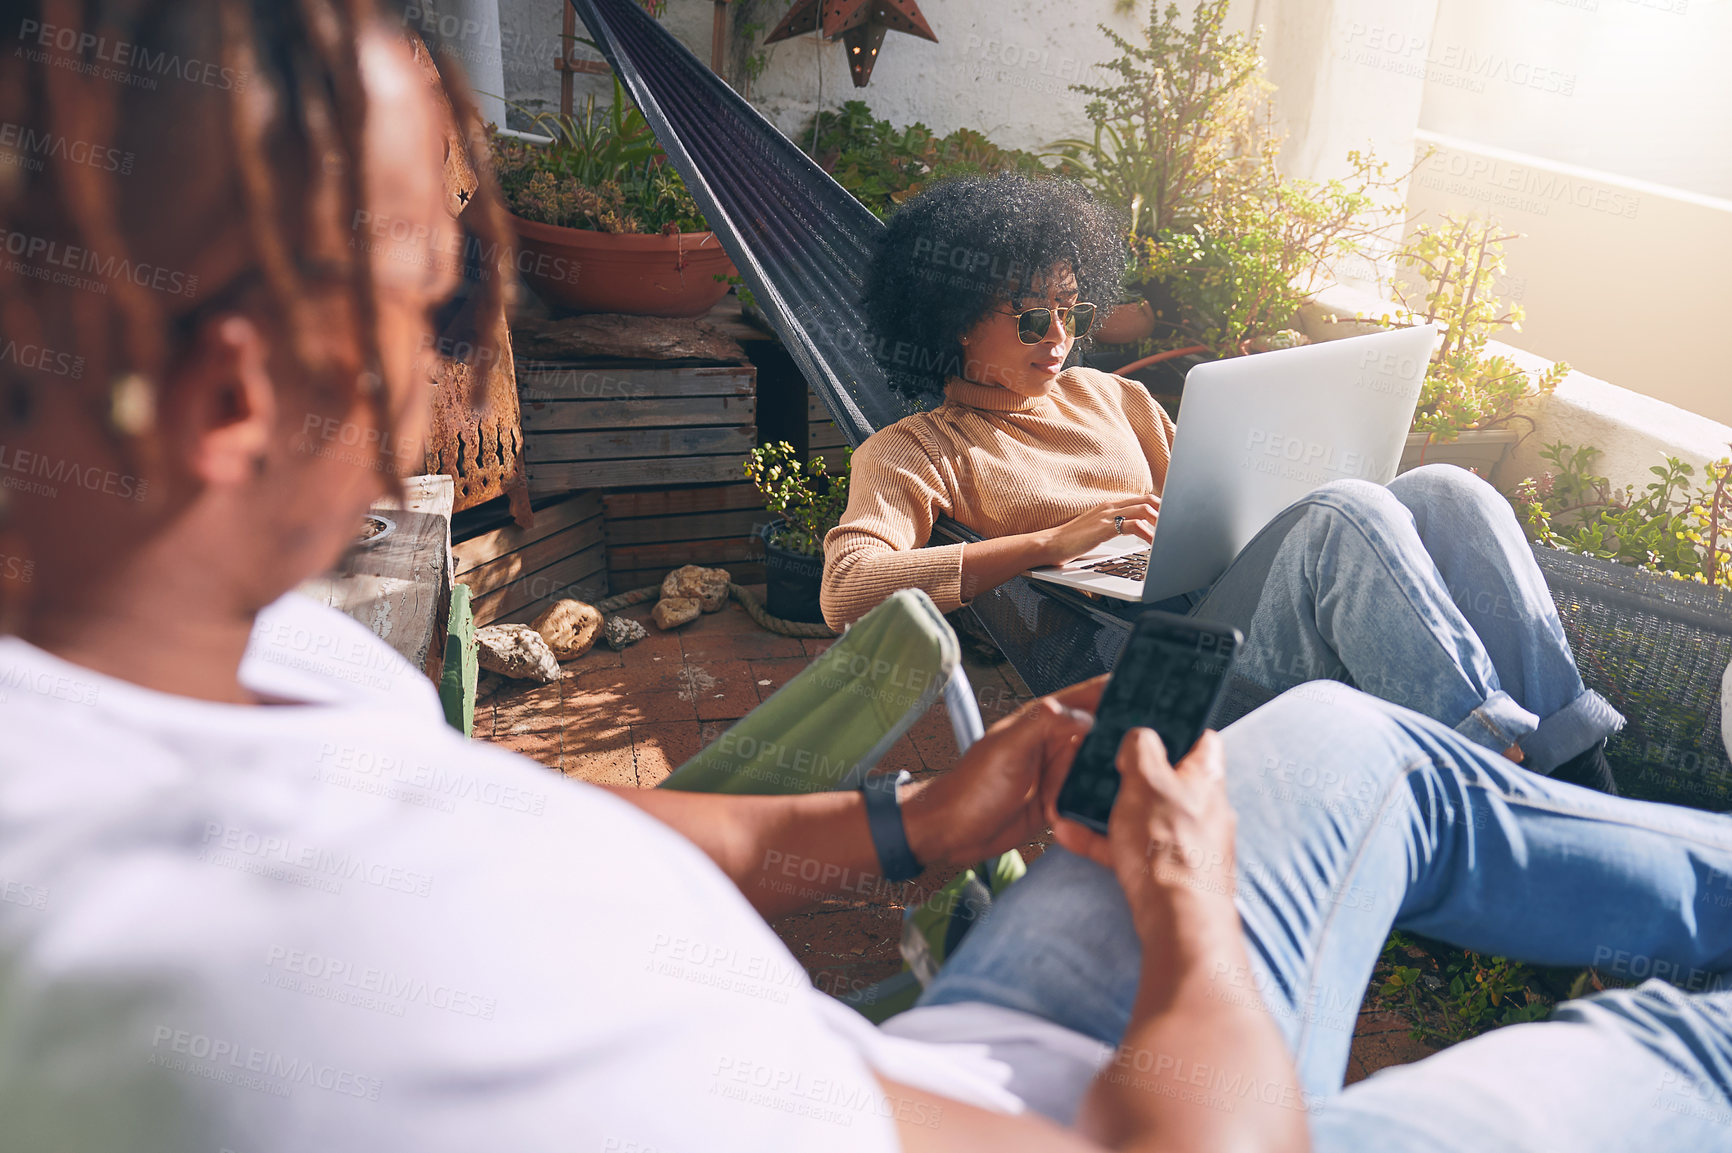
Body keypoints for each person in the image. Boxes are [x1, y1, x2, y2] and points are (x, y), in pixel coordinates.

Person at [2, 5, 1728, 1152]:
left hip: (944, 1027)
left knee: (1353, 723)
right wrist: (1194, 929)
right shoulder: (294, 974)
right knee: (1679, 1054)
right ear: (234, 393)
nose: (472, 358)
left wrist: (912, 824)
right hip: (1157, 1100)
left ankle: (1544, 768)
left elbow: (493, 815)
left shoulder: (230, 672)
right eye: (450, 293)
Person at [821, 174, 1625, 792]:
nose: (1061, 337)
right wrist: (1046, 543)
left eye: (1072, 308)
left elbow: (1212, 510)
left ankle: (1576, 762)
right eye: (1034, 318)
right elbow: (846, 589)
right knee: (1345, 513)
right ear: (955, 320)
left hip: (1229, 615)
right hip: (1155, 676)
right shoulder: (917, 450)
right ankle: (1494, 775)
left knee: (1451, 489)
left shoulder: (1118, 398)